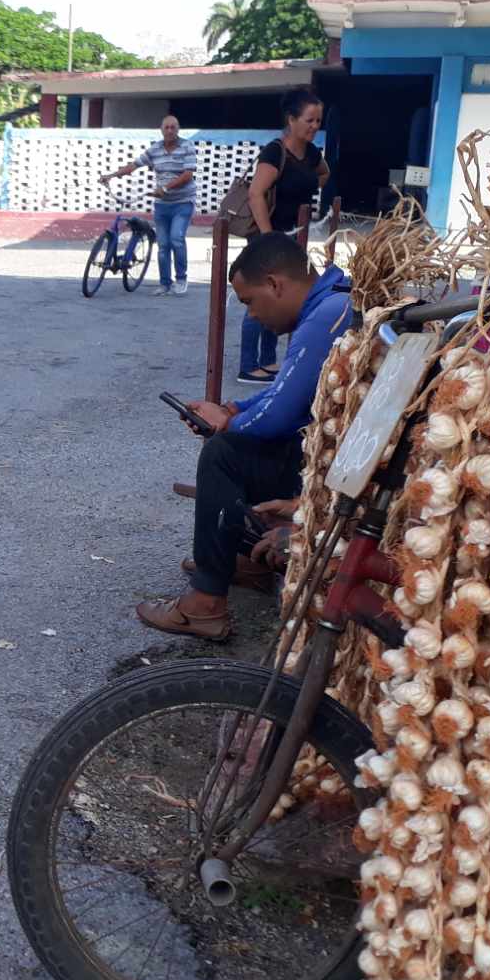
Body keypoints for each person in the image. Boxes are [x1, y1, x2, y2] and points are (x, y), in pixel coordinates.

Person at [137, 232, 352, 641]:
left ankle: (204, 605)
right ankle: (244, 559)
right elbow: (287, 391)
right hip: (336, 459)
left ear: (275, 284)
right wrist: (235, 410)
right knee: (236, 438)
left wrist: (226, 424)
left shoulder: (326, 315)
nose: (250, 316)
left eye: (249, 301)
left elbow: (282, 415)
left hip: (336, 473)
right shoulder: (331, 302)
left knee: (224, 452)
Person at [237, 88, 329, 384]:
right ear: (291, 119)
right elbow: (255, 194)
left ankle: (268, 361)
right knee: (259, 297)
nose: (315, 126)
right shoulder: (275, 152)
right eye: (309, 120)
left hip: (293, 237)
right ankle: (248, 365)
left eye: (318, 121)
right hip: (267, 238)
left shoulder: (312, 154)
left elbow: (324, 174)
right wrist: (267, 239)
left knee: (281, 298)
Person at [101, 114, 198, 294]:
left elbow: (187, 175)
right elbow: (135, 164)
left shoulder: (187, 146)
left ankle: (181, 279)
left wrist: (166, 188)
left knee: (176, 239)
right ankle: (164, 284)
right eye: (166, 127)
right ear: (161, 130)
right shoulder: (155, 149)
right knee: (163, 245)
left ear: (178, 130)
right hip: (162, 205)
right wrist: (112, 175)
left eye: (173, 127)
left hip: (183, 202)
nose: (170, 131)